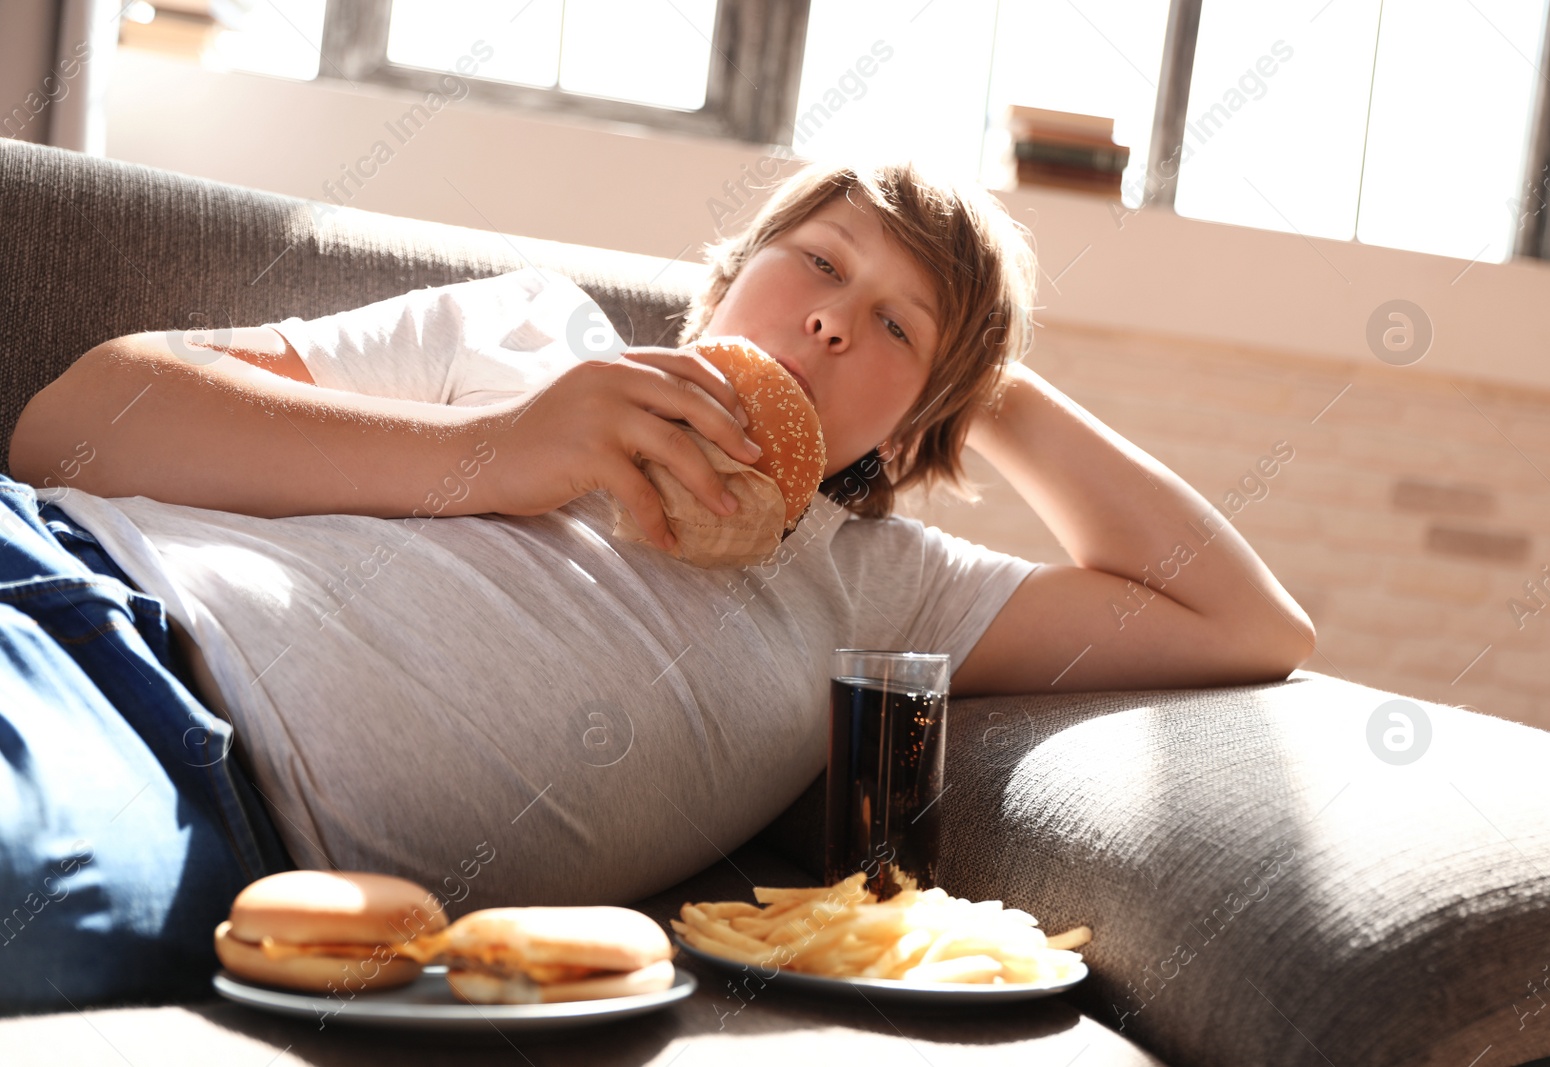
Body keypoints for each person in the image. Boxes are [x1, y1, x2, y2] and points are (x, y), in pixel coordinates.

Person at [0, 158, 1314, 1011]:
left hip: (199, 806)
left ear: (915, 434)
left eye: (896, 326)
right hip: (70, 589)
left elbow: (1245, 622)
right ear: (724, 282)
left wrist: (991, 379)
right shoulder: (529, 334)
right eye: (820, 260)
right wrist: (496, 452)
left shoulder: (884, 592)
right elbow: (73, 424)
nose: (836, 318)